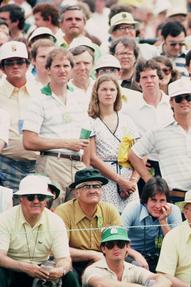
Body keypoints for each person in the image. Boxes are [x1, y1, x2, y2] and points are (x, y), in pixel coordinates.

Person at [0, 175, 93, 287]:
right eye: (30, 197)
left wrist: (60, 270)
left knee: (70, 275)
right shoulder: (5, 219)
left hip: (42, 272)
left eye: (41, 197)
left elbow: (65, 259)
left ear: (47, 200)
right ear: (21, 199)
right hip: (13, 269)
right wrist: (25, 267)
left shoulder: (56, 222)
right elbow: (0, 256)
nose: (36, 201)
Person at [22, 48, 91, 207]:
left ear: (72, 69)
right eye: (57, 66)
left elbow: (87, 138)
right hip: (52, 162)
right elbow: (29, 141)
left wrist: (85, 168)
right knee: (51, 215)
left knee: (76, 217)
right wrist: (66, 143)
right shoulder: (38, 99)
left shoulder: (80, 97)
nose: (62, 70)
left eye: (66, 66)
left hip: (78, 165)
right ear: (48, 70)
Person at [129, 78, 191, 200]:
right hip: (173, 197)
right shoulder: (159, 130)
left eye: (188, 97)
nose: (184, 101)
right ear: (171, 102)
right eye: (179, 98)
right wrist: (151, 182)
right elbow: (134, 154)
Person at [86, 75, 140, 212]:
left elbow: (140, 155)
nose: (108, 93)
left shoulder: (128, 120)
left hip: (128, 180)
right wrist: (119, 180)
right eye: (104, 89)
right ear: (96, 93)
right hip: (104, 179)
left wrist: (132, 182)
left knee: (130, 222)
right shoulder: (89, 121)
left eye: (112, 89)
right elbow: (92, 157)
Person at [0, 41, 40, 191]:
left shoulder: (39, 91)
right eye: (9, 63)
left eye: (20, 62)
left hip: (38, 163)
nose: (15, 66)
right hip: (5, 164)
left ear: (27, 65)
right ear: (2, 68)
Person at [121, 177, 182, 271]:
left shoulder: (174, 210)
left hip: (158, 255)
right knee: (137, 267)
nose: (158, 206)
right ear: (145, 201)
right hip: (131, 254)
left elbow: (177, 245)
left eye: (162, 200)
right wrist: (136, 255)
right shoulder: (132, 208)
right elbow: (119, 241)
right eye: (153, 200)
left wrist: (163, 221)